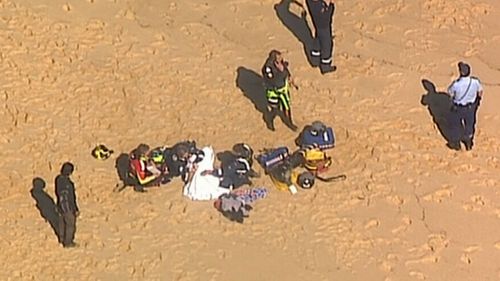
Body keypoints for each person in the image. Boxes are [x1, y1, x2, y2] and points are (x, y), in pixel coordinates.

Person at [446, 61, 483, 151]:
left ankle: (456, 144)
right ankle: (469, 143)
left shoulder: (456, 85)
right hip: (471, 107)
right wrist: (477, 101)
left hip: (458, 108)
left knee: (455, 124)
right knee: (470, 124)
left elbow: (450, 93)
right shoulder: (475, 81)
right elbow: (480, 92)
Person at [262, 50, 299, 131]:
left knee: (287, 107)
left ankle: (290, 123)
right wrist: (281, 71)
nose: (281, 58)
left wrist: (290, 79)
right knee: (274, 109)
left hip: (283, 90)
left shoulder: (280, 63)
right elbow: (274, 81)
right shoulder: (268, 68)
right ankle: (270, 121)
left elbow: (286, 71)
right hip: (273, 92)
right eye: (279, 57)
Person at [306, 0, 336, 74]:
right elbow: (328, 14)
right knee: (327, 43)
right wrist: (330, 4)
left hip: (313, 8)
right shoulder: (321, 6)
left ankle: (315, 59)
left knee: (318, 35)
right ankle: (325, 66)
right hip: (322, 18)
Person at [55, 162, 79, 248]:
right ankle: (68, 242)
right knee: (70, 224)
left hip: (59, 206)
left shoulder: (58, 179)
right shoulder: (69, 184)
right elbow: (71, 198)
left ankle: (61, 238)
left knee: (61, 222)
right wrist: (75, 209)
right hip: (67, 207)